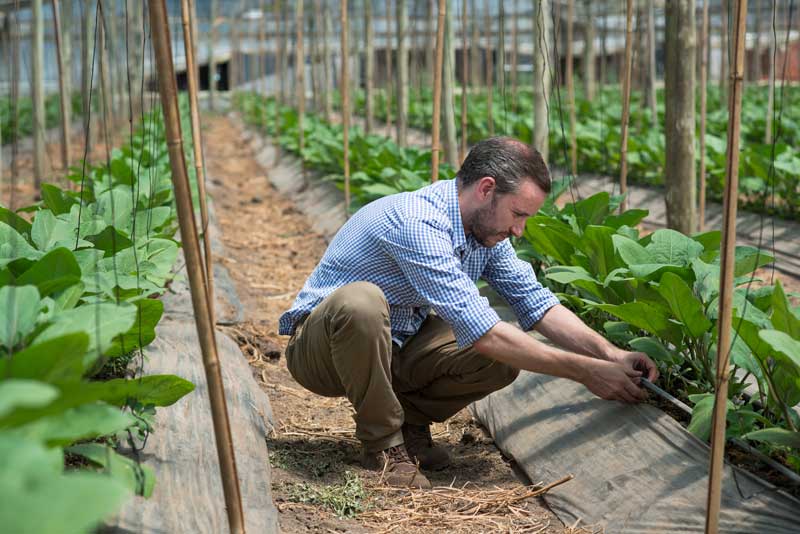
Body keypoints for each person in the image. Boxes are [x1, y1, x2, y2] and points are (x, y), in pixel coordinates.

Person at [279, 137, 658, 489]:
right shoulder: (418, 222)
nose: (520, 230)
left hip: (396, 344)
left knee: (501, 359)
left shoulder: (486, 232)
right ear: (487, 189)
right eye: (518, 214)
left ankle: (410, 425)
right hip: (323, 351)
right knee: (362, 302)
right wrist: (585, 371)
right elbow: (483, 331)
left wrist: (611, 354)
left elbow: (535, 302)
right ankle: (383, 445)